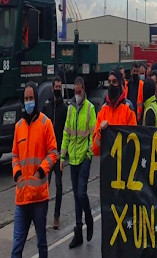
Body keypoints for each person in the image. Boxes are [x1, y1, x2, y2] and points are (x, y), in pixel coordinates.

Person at [12, 82, 59, 258]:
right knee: (17, 247)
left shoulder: (45, 124)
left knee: (41, 243)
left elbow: (53, 152)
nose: (29, 102)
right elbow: (15, 155)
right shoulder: (18, 127)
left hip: (39, 197)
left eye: (31, 98)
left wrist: (41, 171)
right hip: (22, 197)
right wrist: (16, 173)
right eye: (26, 99)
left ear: (36, 99)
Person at [60, 77, 97, 248]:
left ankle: (88, 218)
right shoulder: (70, 110)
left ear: (83, 90)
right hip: (73, 159)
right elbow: (66, 133)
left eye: (79, 92)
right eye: (75, 92)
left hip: (84, 158)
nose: (77, 95)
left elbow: (93, 135)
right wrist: (62, 157)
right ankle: (78, 231)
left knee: (81, 193)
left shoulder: (90, 109)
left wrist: (89, 154)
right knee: (76, 195)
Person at [92, 69, 137, 156]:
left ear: (120, 84)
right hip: (107, 165)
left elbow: (133, 143)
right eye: (109, 82)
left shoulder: (128, 109)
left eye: (114, 81)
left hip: (123, 165)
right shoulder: (103, 110)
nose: (111, 84)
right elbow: (95, 150)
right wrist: (100, 133)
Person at [41, 76, 67, 229]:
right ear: (52, 88)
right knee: (45, 186)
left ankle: (56, 216)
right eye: (56, 86)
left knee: (59, 186)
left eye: (59, 87)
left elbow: (66, 132)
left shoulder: (65, 108)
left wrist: (63, 153)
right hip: (47, 153)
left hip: (58, 153)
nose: (57, 89)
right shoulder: (47, 107)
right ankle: (42, 216)